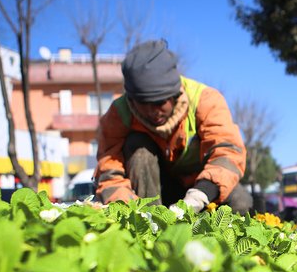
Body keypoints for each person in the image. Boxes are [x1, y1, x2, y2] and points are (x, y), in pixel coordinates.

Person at [94, 39, 251, 213]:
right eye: (144, 103)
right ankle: (150, 227)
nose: (153, 111)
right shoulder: (118, 114)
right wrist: (129, 207)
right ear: (132, 99)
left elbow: (227, 153)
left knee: (241, 202)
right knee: (137, 147)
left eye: (160, 102)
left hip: (201, 186)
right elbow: (109, 171)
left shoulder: (205, 100)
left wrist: (199, 195)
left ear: (175, 94)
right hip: (153, 193)